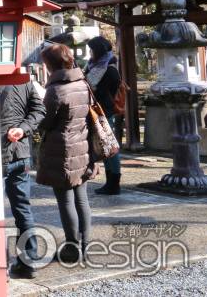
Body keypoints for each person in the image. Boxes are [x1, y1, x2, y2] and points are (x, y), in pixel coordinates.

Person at [0, 60, 46, 279]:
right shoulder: (22, 78)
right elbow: (39, 109)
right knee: (22, 208)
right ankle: (29, 261)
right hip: (20, 152)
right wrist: (22, 129)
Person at [37, 42, 95, 264]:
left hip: (61, 149)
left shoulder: (55, 90)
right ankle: (85, 245)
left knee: (65, 200)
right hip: (82, 145)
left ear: (51, 65)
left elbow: (45, 122)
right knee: (81, 198)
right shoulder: (82, 83)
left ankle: (71, 249)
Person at [85, 36, 122, 195]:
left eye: (92, 50)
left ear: (98, 51)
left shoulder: (110, 69)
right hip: (96, 112)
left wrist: (93, 88)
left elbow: (108, 91)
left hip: (105, 112)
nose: (90, 53)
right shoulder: (92, 66)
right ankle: (109, 182)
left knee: (110, 148)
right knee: (104, 147)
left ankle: (114, 183)